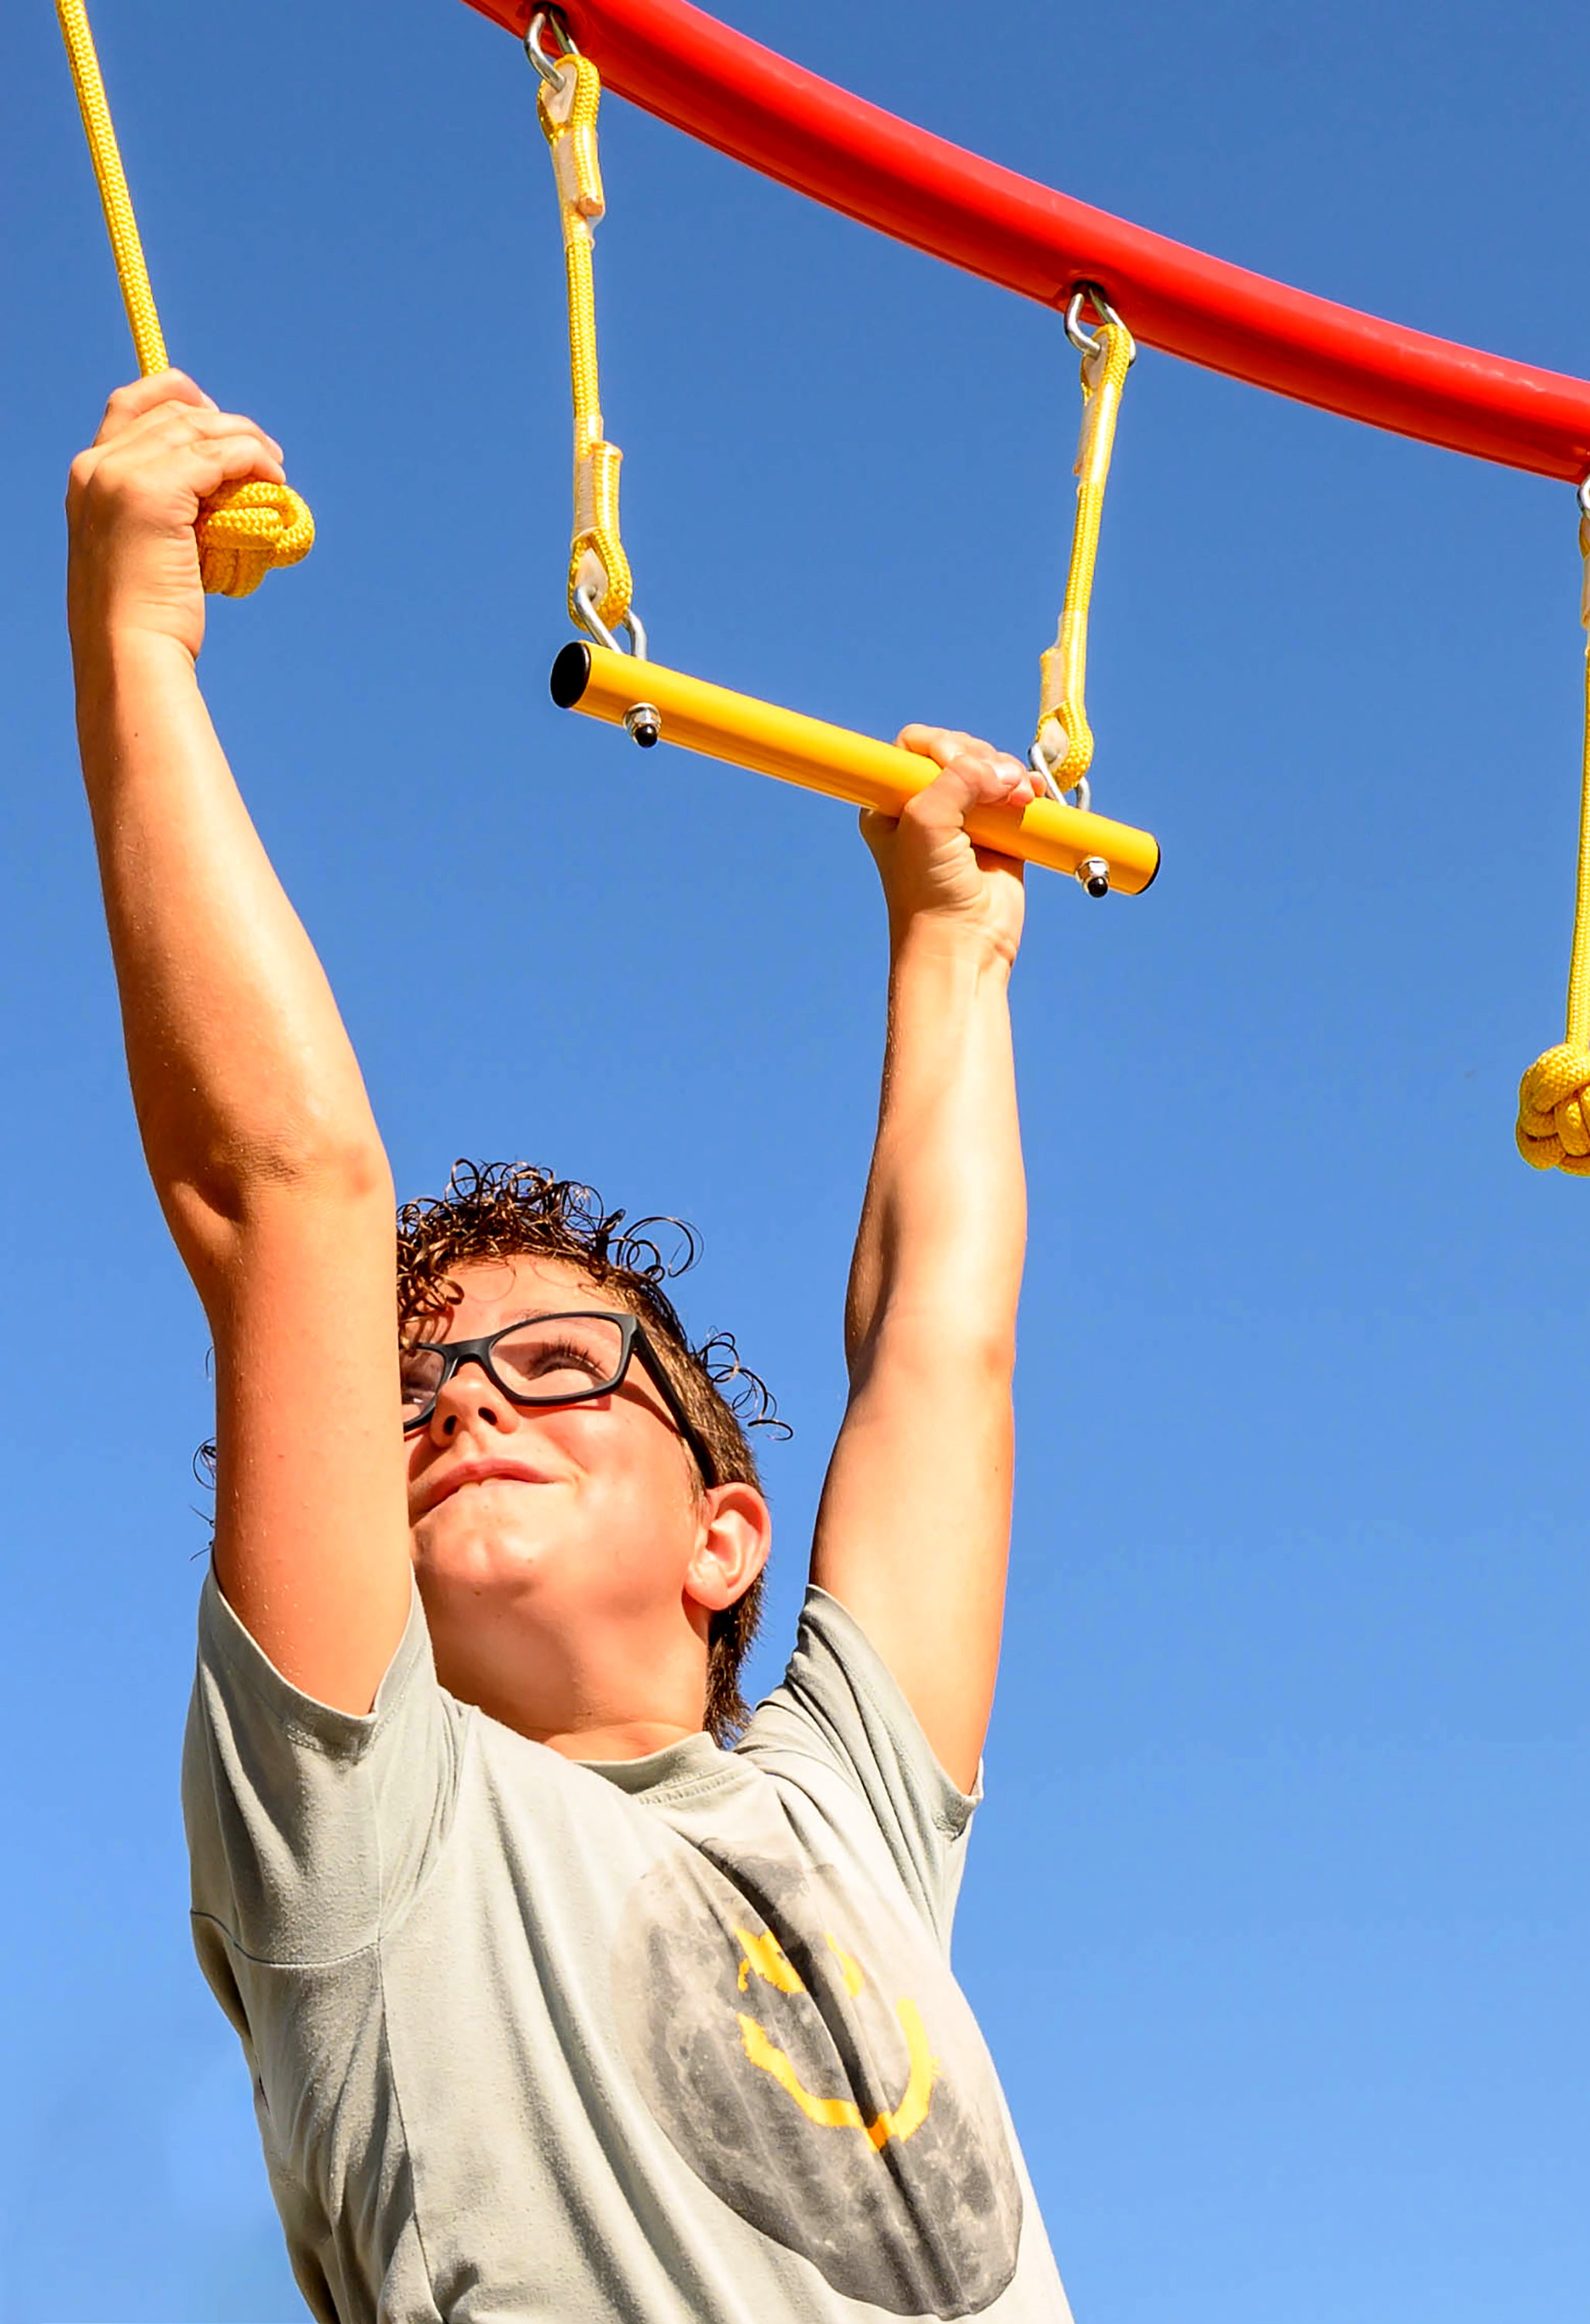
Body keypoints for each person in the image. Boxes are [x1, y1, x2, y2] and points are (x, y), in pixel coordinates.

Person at [67, 369, 1072, 2322]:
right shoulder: (362, 1839)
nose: (460, 1401)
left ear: (727, 1539)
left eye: (548, 1367)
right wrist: (137, 642)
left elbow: (940, 1346)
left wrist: (952, 948)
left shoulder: (836, 1811)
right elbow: (286, 1193)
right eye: (417, 1382)